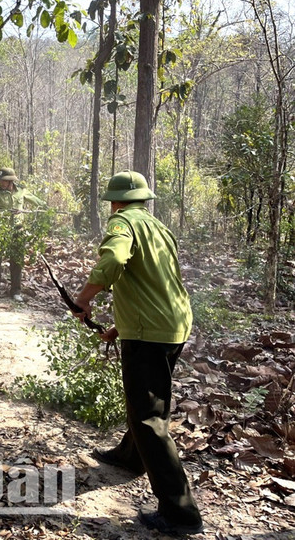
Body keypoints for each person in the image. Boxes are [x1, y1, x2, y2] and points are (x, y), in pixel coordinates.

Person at [73, 170, 203, 536]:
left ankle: (181, 514)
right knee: (149, 403)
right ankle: (131, 458)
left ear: (114, 201)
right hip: (173, 326)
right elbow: (152, 282)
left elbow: (114, 260)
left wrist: (84, 298)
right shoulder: (159, 228)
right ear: (144, 199)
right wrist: (121, 327)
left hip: (150, 334)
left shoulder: (122, 223)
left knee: (149, 418)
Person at [0, 167, 41, 302]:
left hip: (18, 230)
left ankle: (16, 291)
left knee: (17, 260)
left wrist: (47, 209)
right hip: (0, 230)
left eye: (3, 181)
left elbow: (37, 201)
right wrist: (7, 213)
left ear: (10, 181)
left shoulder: (21, 191)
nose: (1, 183)